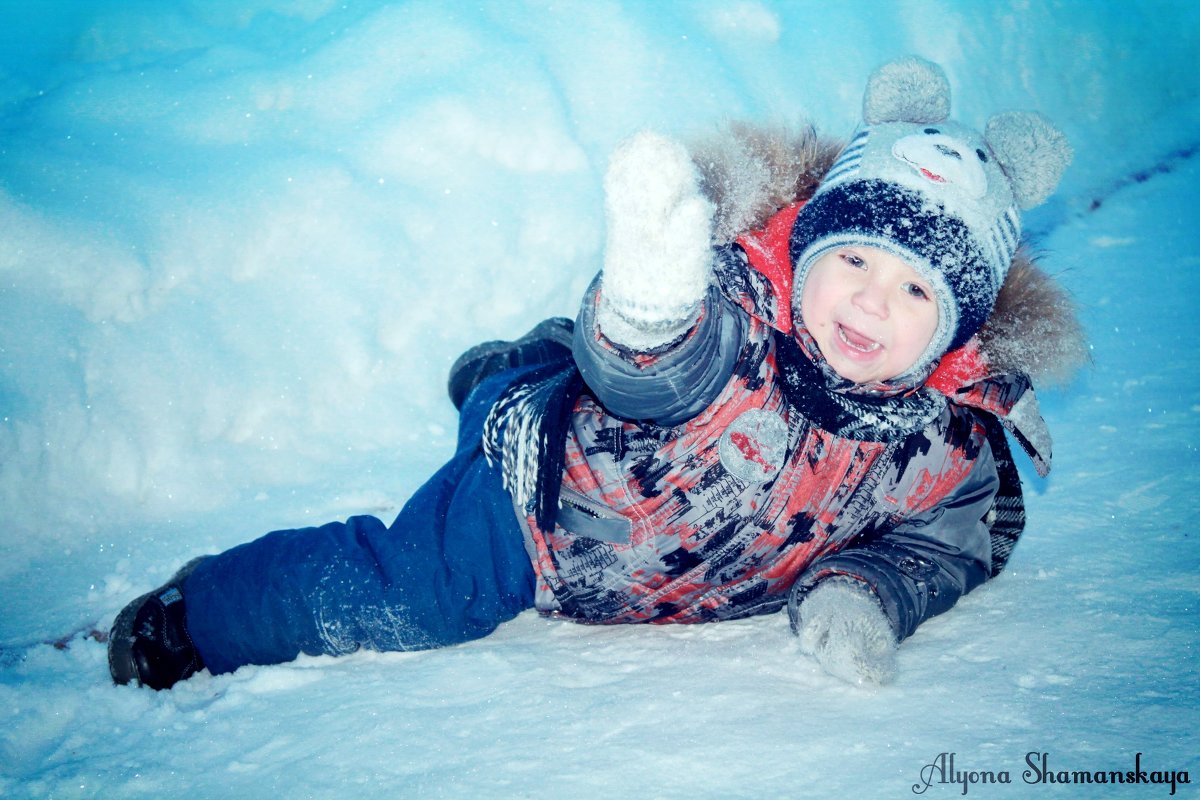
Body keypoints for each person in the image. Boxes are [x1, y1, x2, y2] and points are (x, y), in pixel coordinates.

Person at [108, 56, 1083, 690]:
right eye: (857, 260)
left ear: (958, 327)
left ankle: (513, 362)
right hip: (558, 498)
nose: (872, 302)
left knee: (536, 372)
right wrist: (653, 308)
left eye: (917, 292)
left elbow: (956, 543)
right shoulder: (737, 315)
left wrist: (866, 587)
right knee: (416, 591)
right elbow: (648, 378)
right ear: (808, 244)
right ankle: (201, 612)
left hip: (672, 558)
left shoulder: (945, 436)